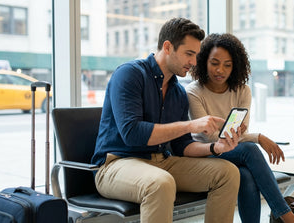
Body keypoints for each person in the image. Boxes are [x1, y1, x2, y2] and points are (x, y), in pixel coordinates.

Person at [91, 18, 242, 223]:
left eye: (196, 55)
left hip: (162, 162)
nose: (194, 62)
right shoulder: (129, 74)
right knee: (160, 183)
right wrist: (190, 125)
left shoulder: (178, 92)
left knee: (228, 173)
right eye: (189, 54)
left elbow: (182, 146)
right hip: (116, 165)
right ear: (168, 47)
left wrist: (216, 148)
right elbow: (132, 133)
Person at [186, 33, 294, 223]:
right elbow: (207, 137)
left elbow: (239, 134)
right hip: (205, 153)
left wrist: (245, 137)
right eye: (214, 63)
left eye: (227, 65)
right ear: (204, 61)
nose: (220, 70)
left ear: (235, 66)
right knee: (250, 149)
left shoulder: (242, 90)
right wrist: (258, 137)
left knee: (246, 176)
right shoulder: (194, 91)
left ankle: (282, 215)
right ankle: (286, 215)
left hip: (231, 150)